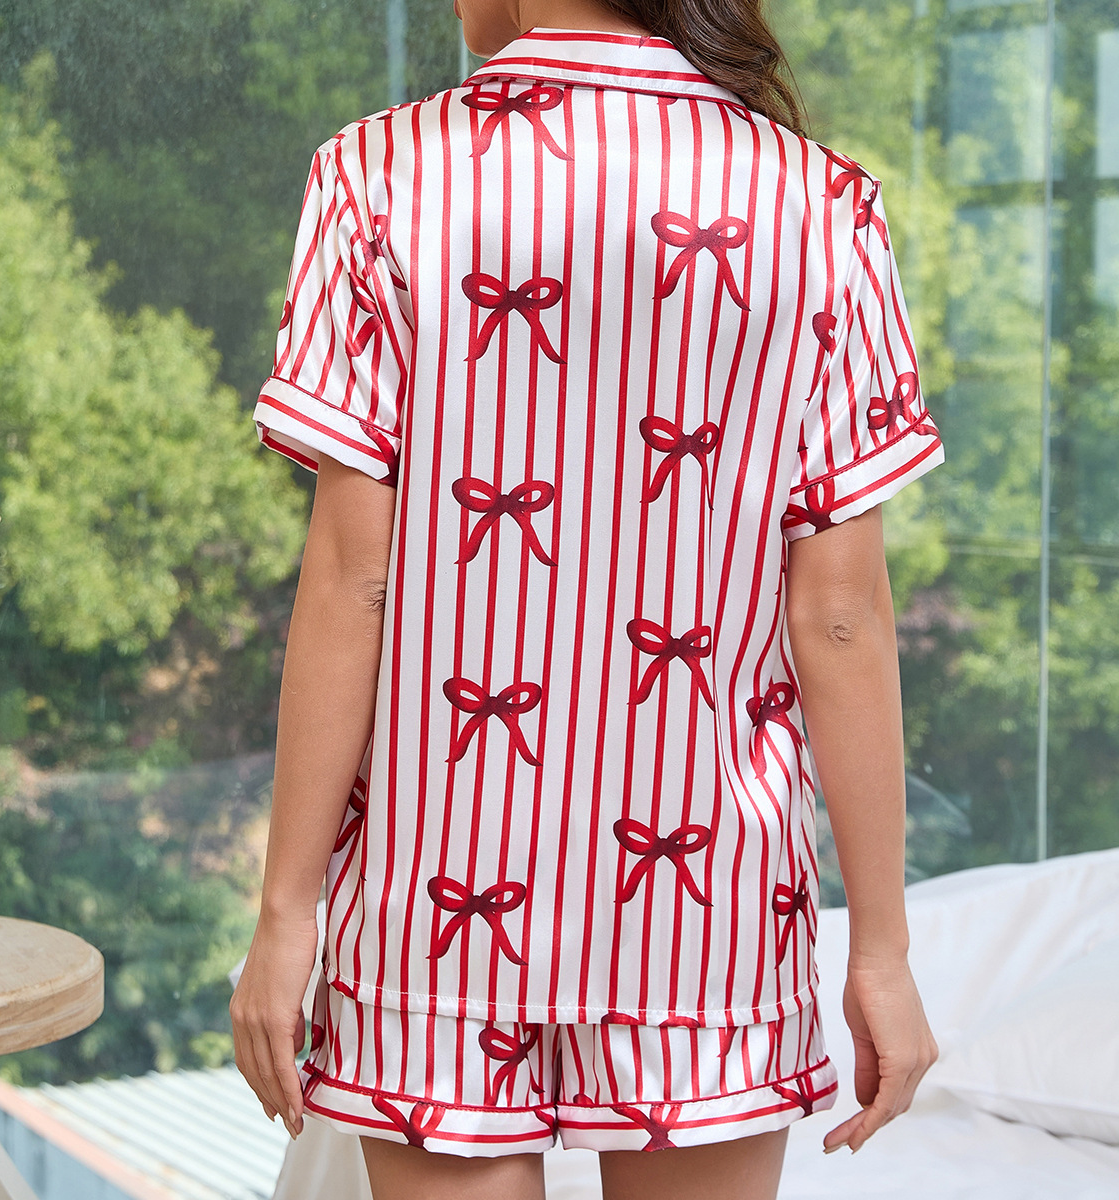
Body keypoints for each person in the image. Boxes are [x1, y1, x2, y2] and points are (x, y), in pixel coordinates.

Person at [230, 1, 944, 1197]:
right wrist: (880, 950)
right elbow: (840, 618)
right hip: (709, 910)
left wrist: (286, 912)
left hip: (433, 900)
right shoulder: (824, 207)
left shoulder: (378, 176)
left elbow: (357, 582)